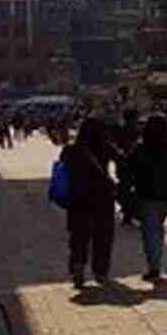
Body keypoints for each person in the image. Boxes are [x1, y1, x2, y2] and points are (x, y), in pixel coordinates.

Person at [61, 117, 118, 287]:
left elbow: (64, 165)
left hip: (79, 198)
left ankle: (78, 270)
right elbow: (123, 159)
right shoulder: (106, 147)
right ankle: (101, 272)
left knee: (79, 236)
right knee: (103, 236)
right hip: (103, 197)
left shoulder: (72, 149)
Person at [129, 114, 167, 281]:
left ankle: (154, 267)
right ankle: (156, 263)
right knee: (157, 229)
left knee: (151, 232)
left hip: (148, 195)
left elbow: (130, 167)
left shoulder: (141, 147)